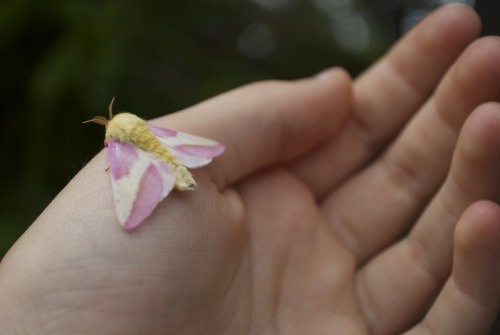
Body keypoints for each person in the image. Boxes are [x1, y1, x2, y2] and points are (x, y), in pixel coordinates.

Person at [1, 4, 499, 334]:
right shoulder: (143, 137)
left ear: (115, 133)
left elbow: (127, 189)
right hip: (178, 151)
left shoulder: (120, 155)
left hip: (166, 160)